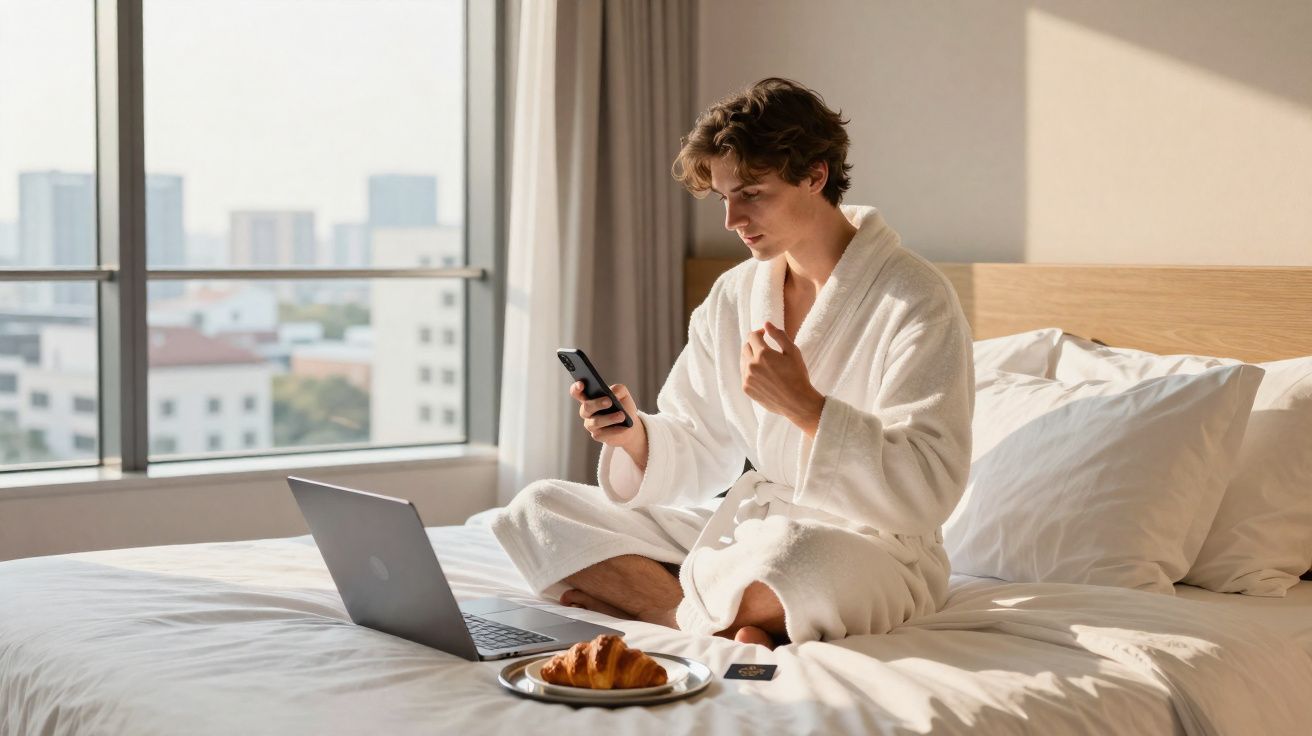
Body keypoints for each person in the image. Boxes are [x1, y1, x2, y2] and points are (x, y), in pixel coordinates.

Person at [492, 78, 973, 649]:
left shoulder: (916, 297)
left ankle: (673, 606)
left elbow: (928, 489)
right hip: (753, 527)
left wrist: (807, 408)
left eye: (751, 193)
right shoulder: (735, 293)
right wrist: (634, 439)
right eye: (723, 197)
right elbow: (700, 440)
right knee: (538, 509)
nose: (731, 219)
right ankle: (693, 614)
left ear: (815, 175)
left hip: (868, 544)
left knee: (798, 559)